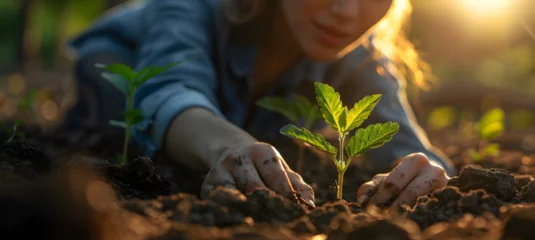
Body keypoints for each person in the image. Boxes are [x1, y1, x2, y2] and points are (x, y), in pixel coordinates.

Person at [64, 0, 454, 210]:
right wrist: (229, 146)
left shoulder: (361, 56)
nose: (348, 11)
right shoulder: (188, 7)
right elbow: (170, 92)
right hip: (120, 71)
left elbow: (406, 144)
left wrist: (421, 169)